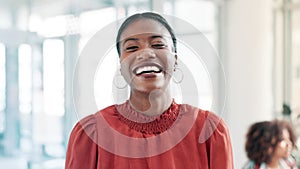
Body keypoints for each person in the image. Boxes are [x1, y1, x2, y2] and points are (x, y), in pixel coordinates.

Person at [65, 12, 234, 169]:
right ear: (121, 66)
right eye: (131, 48)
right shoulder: (91, 135)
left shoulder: (210, 131)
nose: (146, 53)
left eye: (158, 44)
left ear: (175, 60)